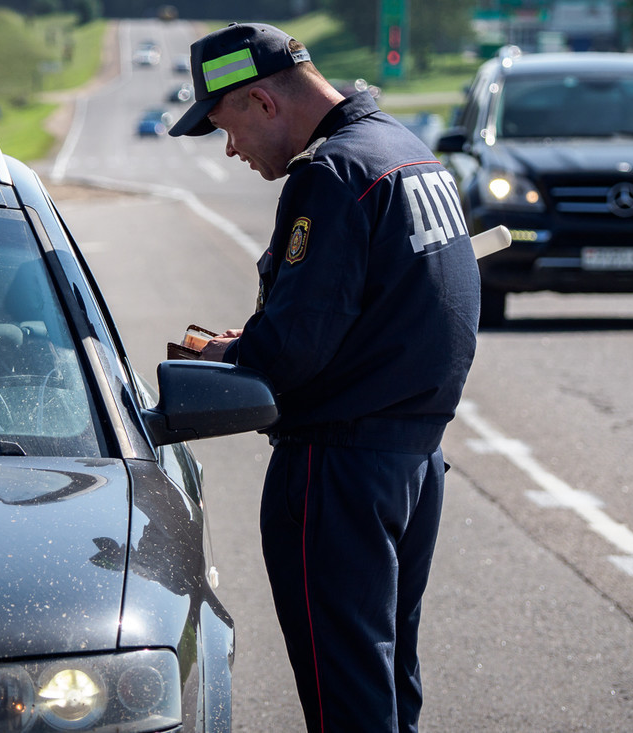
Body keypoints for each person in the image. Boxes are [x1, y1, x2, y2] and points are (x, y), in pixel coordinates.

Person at [169, 23, 481, 733]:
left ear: (262, 102)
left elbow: (292, 351)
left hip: (337, 470)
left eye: (225, 125)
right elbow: (387, 310)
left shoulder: (331, 174)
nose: (230, 149)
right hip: (412, 460)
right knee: (388, 683)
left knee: (346, 700)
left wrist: (226, 359)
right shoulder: (405, 152)